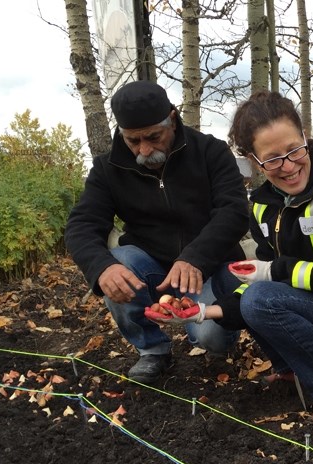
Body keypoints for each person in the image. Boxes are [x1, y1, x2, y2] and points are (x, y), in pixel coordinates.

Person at [159, 90, 313, 426]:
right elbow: (266, 281)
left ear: (305, 137)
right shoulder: (264, 206)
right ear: (252, 160)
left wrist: (275, 270)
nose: (290, 166)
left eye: (295, 150)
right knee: (257, 297)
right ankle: (294, 370)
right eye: (273, 158)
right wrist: (204, 311)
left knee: (262, 299)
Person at [65, 80, 249, 384]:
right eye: (133, 141)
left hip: (209, 267)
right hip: (150, 268)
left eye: (153, 137)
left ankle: (217, 341)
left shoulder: (210, 152)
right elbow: (81, 224)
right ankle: (152, 349)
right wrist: (101, 268)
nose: (144, 150)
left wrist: (195, 258)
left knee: (209, 336)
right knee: (117, 265)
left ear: (172, 120)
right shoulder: (107, 168)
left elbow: (234, 212)